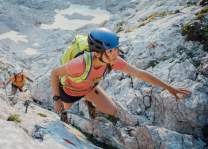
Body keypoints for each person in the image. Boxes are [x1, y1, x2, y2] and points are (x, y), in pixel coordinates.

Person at [51, 28, 191, 125]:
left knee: (112, 111)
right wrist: (57, 99)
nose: (116, 54)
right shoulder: (79, 64)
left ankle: (89, 102)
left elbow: (139, 73)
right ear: (98, 52)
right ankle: (76, 108)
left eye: (116, 49)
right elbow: (54, 74)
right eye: (111, 50)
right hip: (69, 93)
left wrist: (169, 87)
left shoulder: (112, 61)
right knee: (61, 117)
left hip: (89, 88)